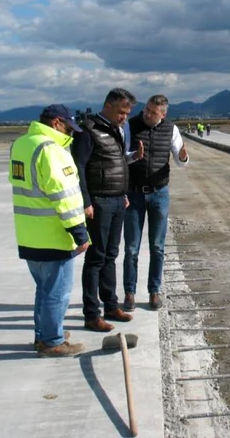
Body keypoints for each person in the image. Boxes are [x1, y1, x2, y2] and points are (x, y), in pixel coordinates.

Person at [9, 104, 89, 358]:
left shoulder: (21, 144)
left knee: (44, 289)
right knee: (58, 291)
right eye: (68, 126)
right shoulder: (51, 150)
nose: (71, 133)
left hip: (29, 234)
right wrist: (79, 232)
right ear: (56, 122)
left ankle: (42, 334)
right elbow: (63, 196)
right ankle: (52, 341)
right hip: (53, 235)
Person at [71, 88, 143, 332]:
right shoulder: (88, 129)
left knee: (111, 255)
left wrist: (123, 194)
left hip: (116, 200)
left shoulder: (118, 131)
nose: (125, 117)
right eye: (122, 112)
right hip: (99, 202)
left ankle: (111, 305)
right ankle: (92, 314)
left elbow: (119, 162)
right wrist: (86, 201)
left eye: (127, 113)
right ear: (109, 105)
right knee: (95, 258)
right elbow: (79, 167)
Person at [123, 94, 189, 311]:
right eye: (146, 110)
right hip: (134, 194)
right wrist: (135, 156)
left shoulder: (171, 129)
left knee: (157, 247)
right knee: (132, 248)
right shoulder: (131, 126)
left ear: (163, 113)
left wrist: (183, 156)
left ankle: (154, 291)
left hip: (159, 194)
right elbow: (122, 157)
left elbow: (180, 163)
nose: (147, 114)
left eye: (152, 112)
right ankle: (130, 293)